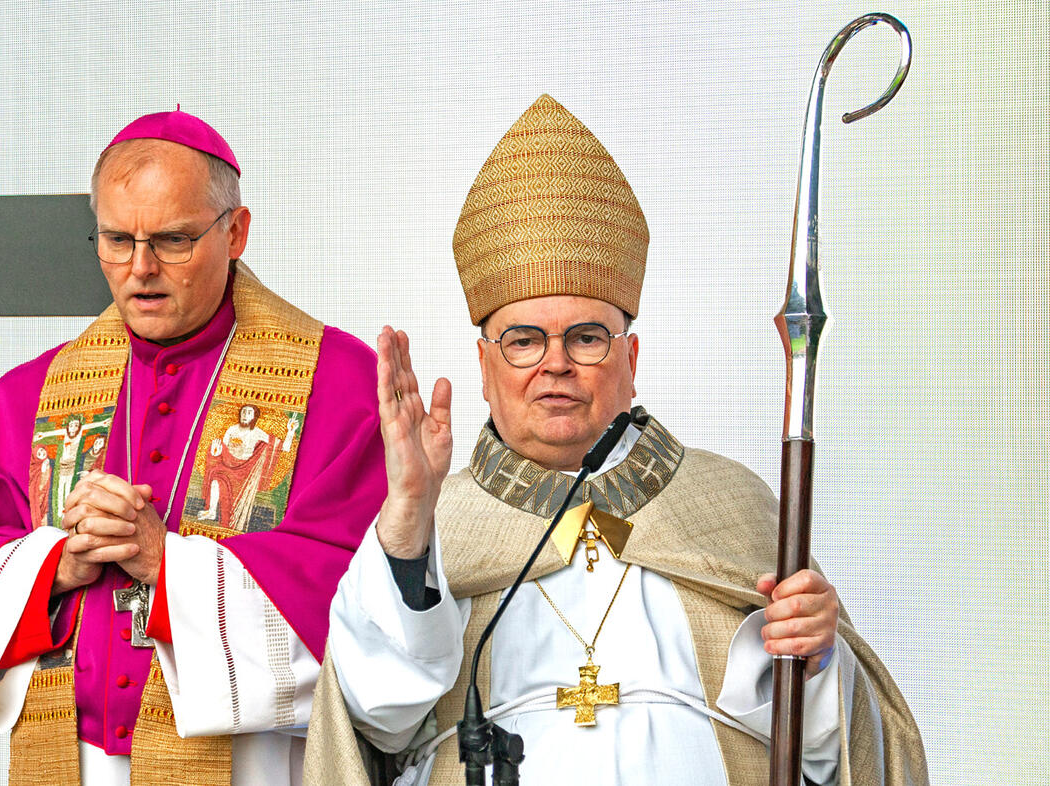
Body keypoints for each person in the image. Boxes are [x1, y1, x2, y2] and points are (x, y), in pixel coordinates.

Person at [304, 95, 928, 785]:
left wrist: (813, 662)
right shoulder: (427, 529)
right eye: (523, 341)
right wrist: (408, 520)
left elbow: (824, 751)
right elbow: (379, 717)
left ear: (631, 360)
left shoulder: (729, 505)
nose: (556, 363)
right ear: (484, 368)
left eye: (587, 337)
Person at [0, 109, 386, 785]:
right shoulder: (29, 395)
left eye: (173, 240)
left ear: (237, 233)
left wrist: (167, 563)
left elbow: (373, 597)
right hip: (80, 766)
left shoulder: (338, 384)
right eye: (115, 240)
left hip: (256, 765)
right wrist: (56, 566)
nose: (141, 269)